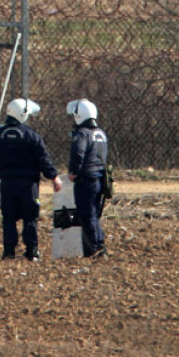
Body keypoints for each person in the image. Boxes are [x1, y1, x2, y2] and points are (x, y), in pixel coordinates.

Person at [0, 98, 62, 261]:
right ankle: (32, 251)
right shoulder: (31, 135)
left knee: (8, 218)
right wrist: (53, 177)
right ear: (22, 115)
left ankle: (8, 252)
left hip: (6, 184)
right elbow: (43, 159)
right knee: (30, 217)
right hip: (28, 185)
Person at [66, 99, 108, 258]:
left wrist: (74, 172)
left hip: (86, 179)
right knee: (94, 214)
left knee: (87, 214)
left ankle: (93, 250)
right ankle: (99, 244)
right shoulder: (101, 133)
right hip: (99, 179)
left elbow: (78, 153)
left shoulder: (82, 133)